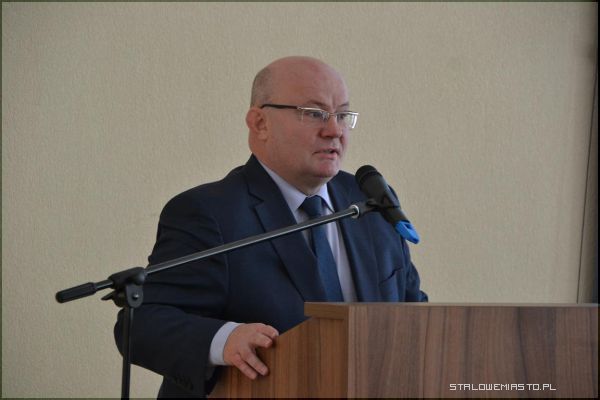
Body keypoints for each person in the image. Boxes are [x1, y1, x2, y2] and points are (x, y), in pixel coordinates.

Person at [114, 56, 427, 398]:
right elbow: (142, 324)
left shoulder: (370, 201)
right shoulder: (208, 213)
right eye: (314, 113)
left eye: (342, 115)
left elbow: (413, 315)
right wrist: (224, 340)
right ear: (260, 123)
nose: (334, 130)